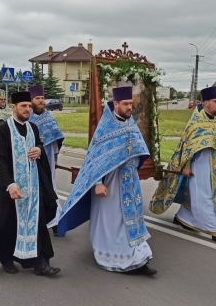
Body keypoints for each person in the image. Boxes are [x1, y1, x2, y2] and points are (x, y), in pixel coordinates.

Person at [57, 84, 156, 275]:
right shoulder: (105, 128)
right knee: (112, 222)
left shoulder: (130, 123)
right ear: (116, 103)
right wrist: (98, 183)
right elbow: (94, 161)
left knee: (131, 220)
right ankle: (113, 256)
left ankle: (139, 257)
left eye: (131, 104)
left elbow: (139, 150)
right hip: (110, 184)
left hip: (130, 183)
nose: (130, 107)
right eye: (126, 104)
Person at [0, 91, 60, 276]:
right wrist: (10, 184)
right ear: (14, 107)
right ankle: (6, 258)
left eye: (28, 106)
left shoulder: (33, 127)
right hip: (12, 187)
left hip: (34, 188)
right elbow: (0, 160)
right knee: (8, 225)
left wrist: (39, 150)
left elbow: (39, 147)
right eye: (23, 106)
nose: (27, 109)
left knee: (38, 224)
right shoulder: (3, 129)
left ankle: (41, 263)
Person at [150, 86, 216, 244]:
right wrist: (186, 166)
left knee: (203, 196)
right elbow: (187, 146)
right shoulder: (196, 122)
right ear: (206, 102)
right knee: (206, 196)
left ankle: (183, 218)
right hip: (200, 167)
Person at [28, 85, 64, 236]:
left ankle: (55, 221)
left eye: (42, 98)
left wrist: (55, 158)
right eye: (38, 98)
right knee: (35, 191)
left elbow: (56, 141)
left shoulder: (49, 117)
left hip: (48, 160)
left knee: (51, 189)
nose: (41, 101)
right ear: (31, 101)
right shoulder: (27, 118)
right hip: (32, 162)